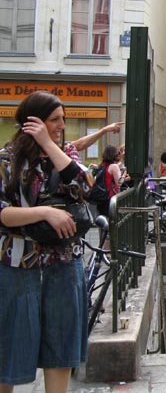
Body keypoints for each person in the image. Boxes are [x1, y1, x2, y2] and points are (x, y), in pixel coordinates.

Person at [0, 91, 88, 392]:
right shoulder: (6, 160)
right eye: (55, 120)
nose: (62, 125)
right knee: (9, 346)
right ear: (33, 122)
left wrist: (50, 145)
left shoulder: (63, 158)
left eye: (63, 119)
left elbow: (81, 189)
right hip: (18, 264)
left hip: (64, 261)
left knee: (61, 346)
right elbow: (1, 212)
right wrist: (45, 212)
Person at [95, 144, 122, 217]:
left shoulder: (101, 165)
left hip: (101, 197)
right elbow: (119, 182)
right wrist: (125, 176)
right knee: (112, 221)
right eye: (118, 153)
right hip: (110, 198)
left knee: (103, 221)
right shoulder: (114, 166)